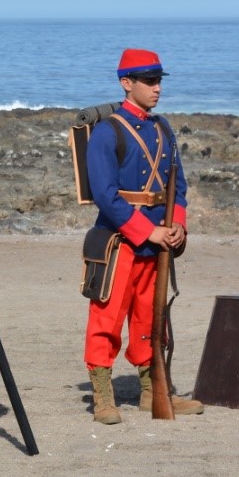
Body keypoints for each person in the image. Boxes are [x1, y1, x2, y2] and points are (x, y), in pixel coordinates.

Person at [83, 48, 204, 424]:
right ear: (127, 83)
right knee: (107, 316)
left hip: (158, 240)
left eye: (158, 81)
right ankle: (104, 398)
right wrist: (147, 230)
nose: (156, 89)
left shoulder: (162, 128)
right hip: (120, 241)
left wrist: (177, 225)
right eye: (149, 81)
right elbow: (104, 194)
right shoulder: (107, 132)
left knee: (151, 318)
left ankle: (153, 393)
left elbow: (176, 186)